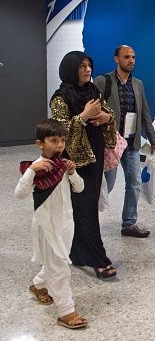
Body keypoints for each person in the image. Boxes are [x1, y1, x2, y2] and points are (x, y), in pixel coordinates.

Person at [50, 51, 118, 279]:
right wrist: (83, 116)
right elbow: (59, 134)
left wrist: (106, 118)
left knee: (84, 206)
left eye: (89, 65)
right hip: (74, 160)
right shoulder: (60, 98)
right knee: (85, 206)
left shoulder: (93, 90)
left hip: (95, 154)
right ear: (71, 69)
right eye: (82, 66)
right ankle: (99, 260)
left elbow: (108, 113)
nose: (88, 70)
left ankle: (78, 253)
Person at [15, 119, 87, 329]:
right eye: (53, 140)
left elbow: (80, 189)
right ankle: (66, 311)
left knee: (56, 261)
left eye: (62, 141)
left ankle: (38, 285)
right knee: (60, 268)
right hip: (47, 226)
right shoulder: (35, 168)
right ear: (40, 143)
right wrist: (32, 171)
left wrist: (72, 173)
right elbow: (19, 194)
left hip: (66, 223)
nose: (59, 145)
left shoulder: (64, 165)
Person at [95, 45, 155, 238]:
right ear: (116, 59)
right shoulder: (102, 81)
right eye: (126, 57)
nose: (131, 60)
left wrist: (153, 140)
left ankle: (129, 224)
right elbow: (92, 110)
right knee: (108, 184)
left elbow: (145, 113)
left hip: (131, 143)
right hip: (110, 143)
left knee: (134, 182)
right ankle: (88, 220)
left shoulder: (138, 84)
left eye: (133, 57)